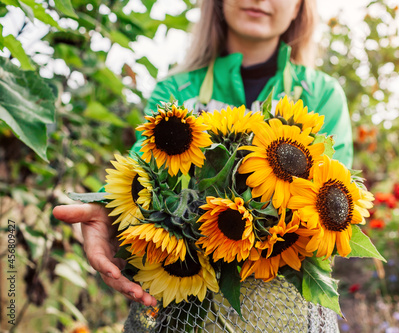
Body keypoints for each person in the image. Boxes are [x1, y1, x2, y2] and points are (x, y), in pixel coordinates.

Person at [53, 0, 353, 310]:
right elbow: (139, 170)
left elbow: (328, 207)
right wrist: (108, 208)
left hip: (281, 309)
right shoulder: (176, 90)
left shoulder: (321, 95)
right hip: (184, 306)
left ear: (299, 8)